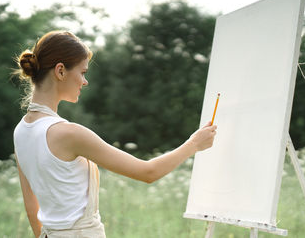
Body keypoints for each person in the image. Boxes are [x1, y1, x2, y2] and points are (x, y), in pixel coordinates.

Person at [13, 30, 217, 238]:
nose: (85, 81)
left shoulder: (20, 131)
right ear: (60, 71)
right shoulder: (69, 134)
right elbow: (148, 172)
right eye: (83, 72)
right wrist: (194, 144)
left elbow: (32, 208)